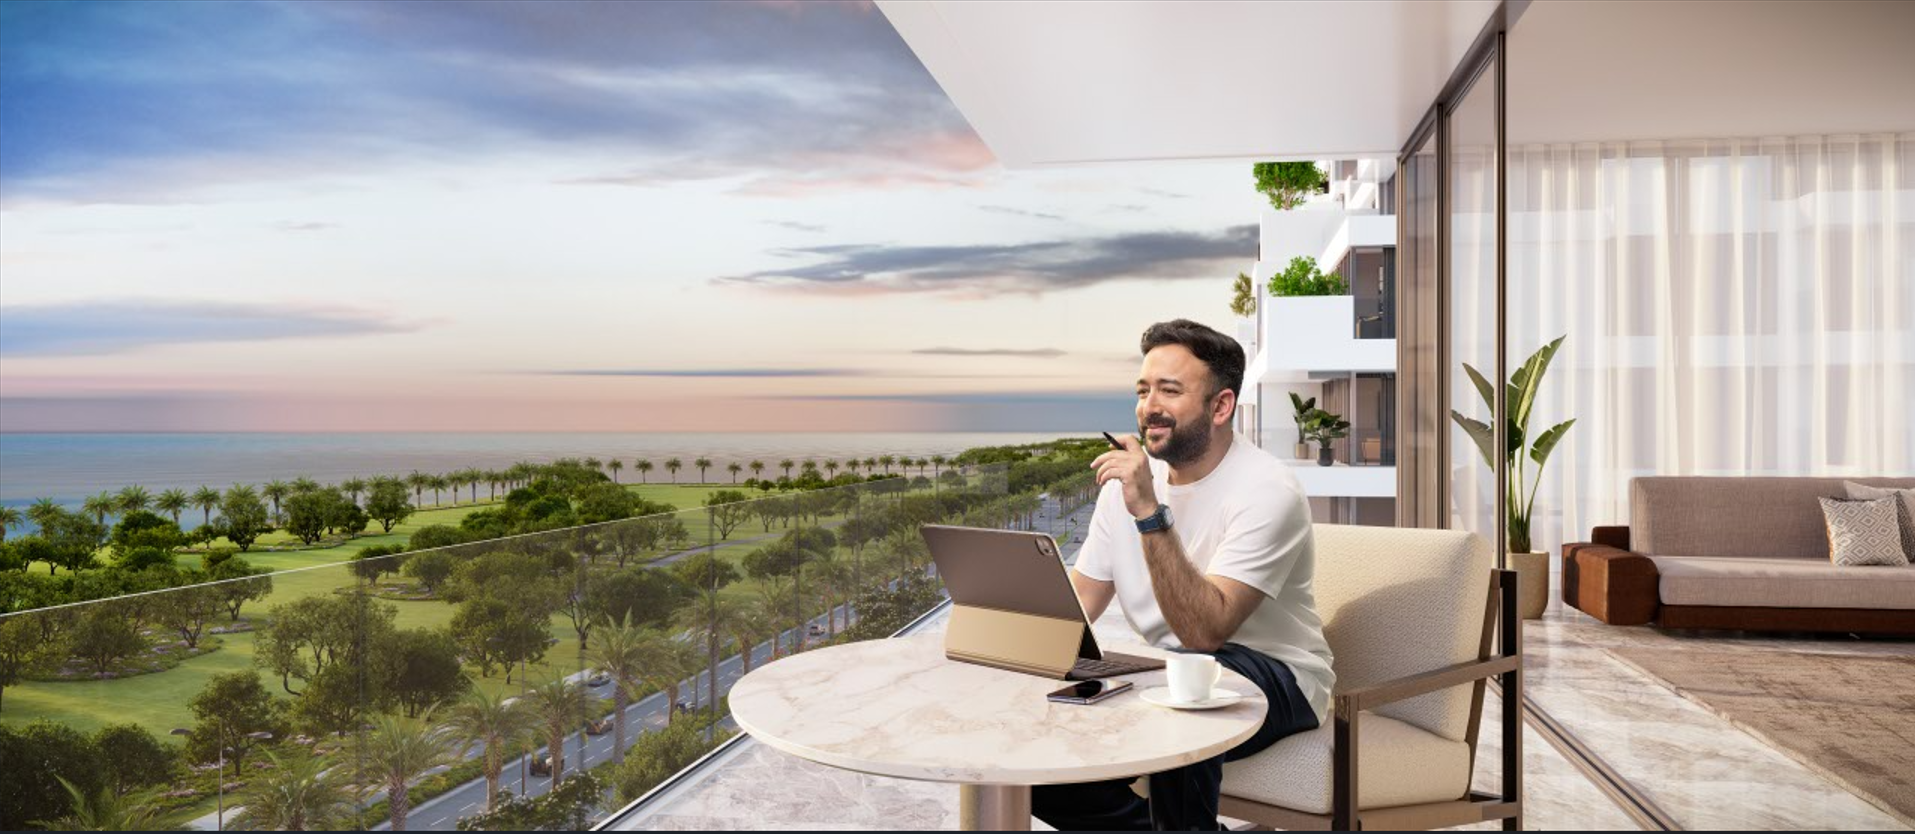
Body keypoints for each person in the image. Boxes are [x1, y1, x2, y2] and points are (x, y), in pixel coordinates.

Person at [1034, 319, 1334, 830]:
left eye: (1169, 390)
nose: (1148, 405)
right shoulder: (1118, 493)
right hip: (1170, 665)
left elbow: (1204, 632)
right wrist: (1023, 648)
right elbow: (1082, 601)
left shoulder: (1267, 490)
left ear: (1221, 406)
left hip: (1281, 675)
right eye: (1143, 389)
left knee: (1186, 691)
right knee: (1040, 765)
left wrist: (1150, 511)